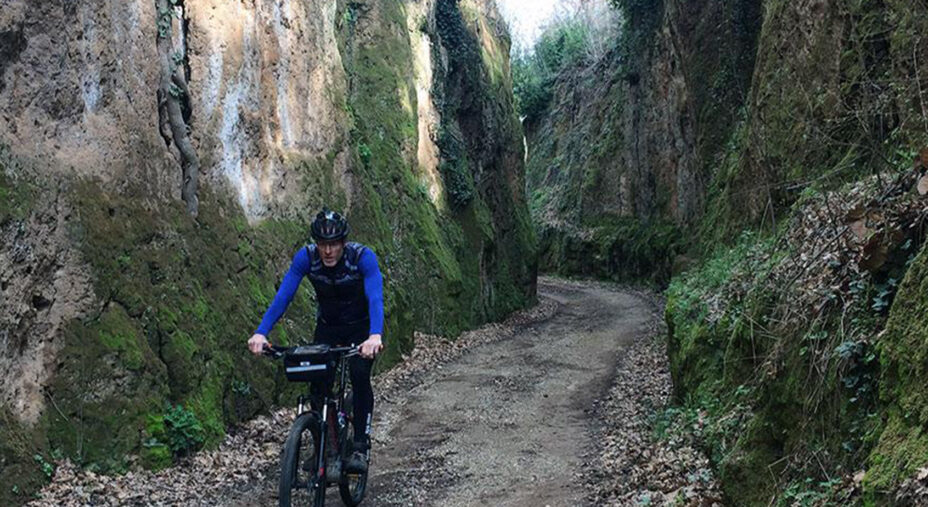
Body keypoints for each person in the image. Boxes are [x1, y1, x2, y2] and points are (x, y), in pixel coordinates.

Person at [248, 207, 384, 474]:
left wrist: (375, 335)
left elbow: (375, 297)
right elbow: (284, 296)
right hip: (328, 329)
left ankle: (359, 445)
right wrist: (261, 332)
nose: (328, 251)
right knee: (317, 384)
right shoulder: (307, 258)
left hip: (361, 330)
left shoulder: (362, 257)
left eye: (333, 244)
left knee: (359, 374)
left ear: (343, 242)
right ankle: (326, 447)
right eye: (322, 244)